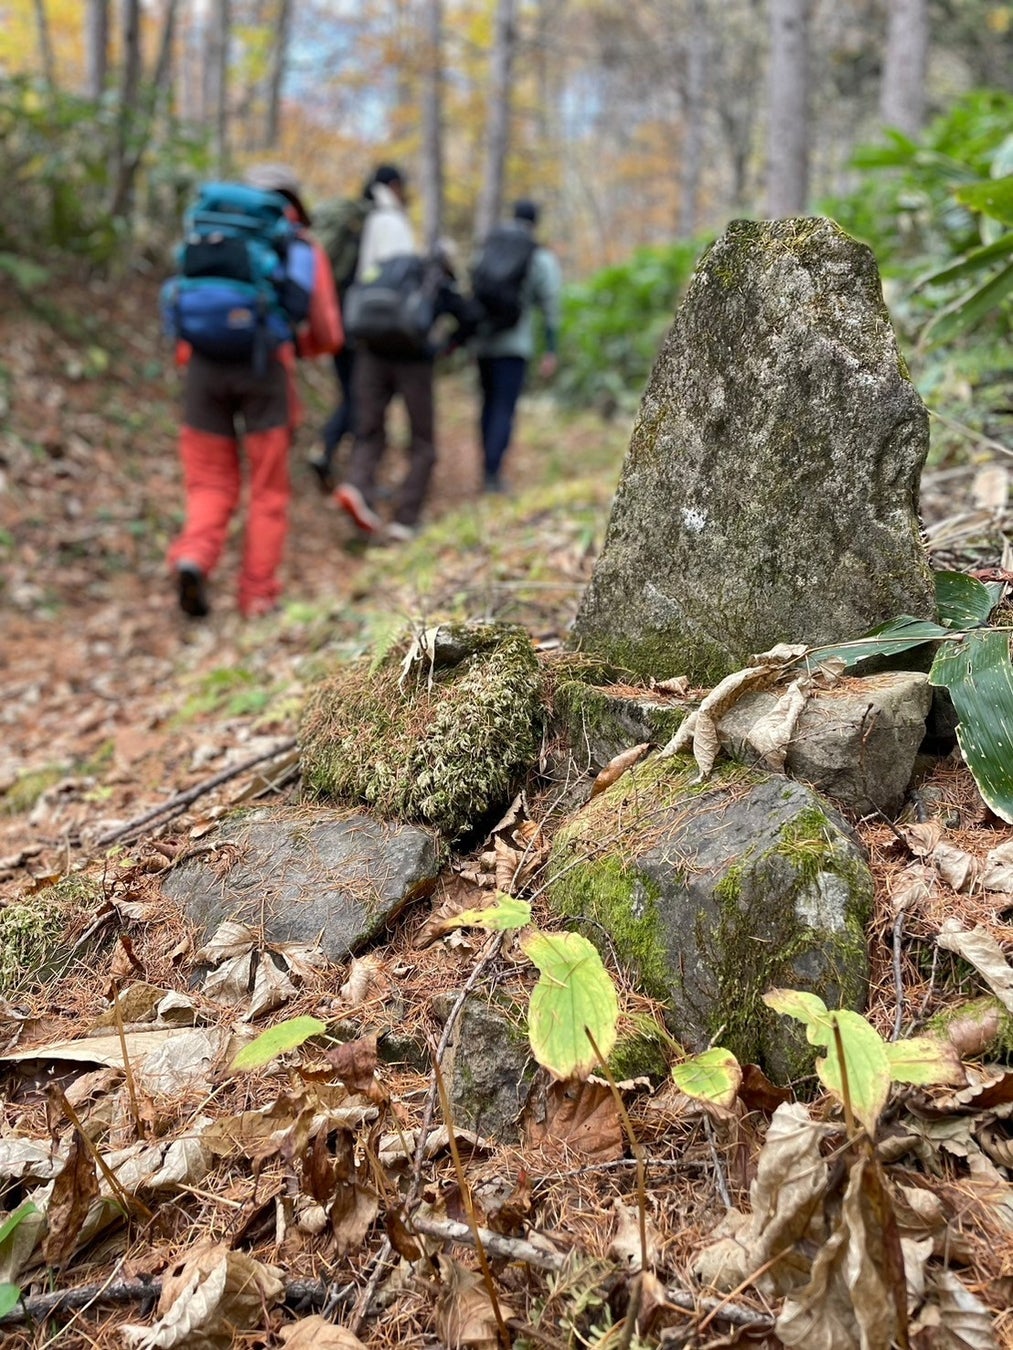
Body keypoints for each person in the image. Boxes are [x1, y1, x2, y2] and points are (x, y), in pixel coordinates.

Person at [167, 163, 342, 618]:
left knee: (209, 481)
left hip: (203, 368)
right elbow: (320, 323)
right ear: (296, 205)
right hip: (265, 371)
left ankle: (194, 558)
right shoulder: (299, 244)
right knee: (267, 490)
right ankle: (258, 597)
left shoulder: (213, 229)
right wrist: (302, 346)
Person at [334, 166, 474, 542]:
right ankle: (405, 519)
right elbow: (468, 316)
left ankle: (358, 489)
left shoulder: (371, 225)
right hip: (414, 357)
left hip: (370, 350)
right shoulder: (430, 270)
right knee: (423, 442)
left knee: (368, 433)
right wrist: (447, 345)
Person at [472, 199, 562, 493]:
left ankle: (486, 467)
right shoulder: (537, 255)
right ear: (535, 222)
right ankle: (493, 474)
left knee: (487, 403)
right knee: (504, 408)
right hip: (515, 346)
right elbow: (550, 304)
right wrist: (551, 348)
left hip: (484, 342)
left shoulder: (492, 246)